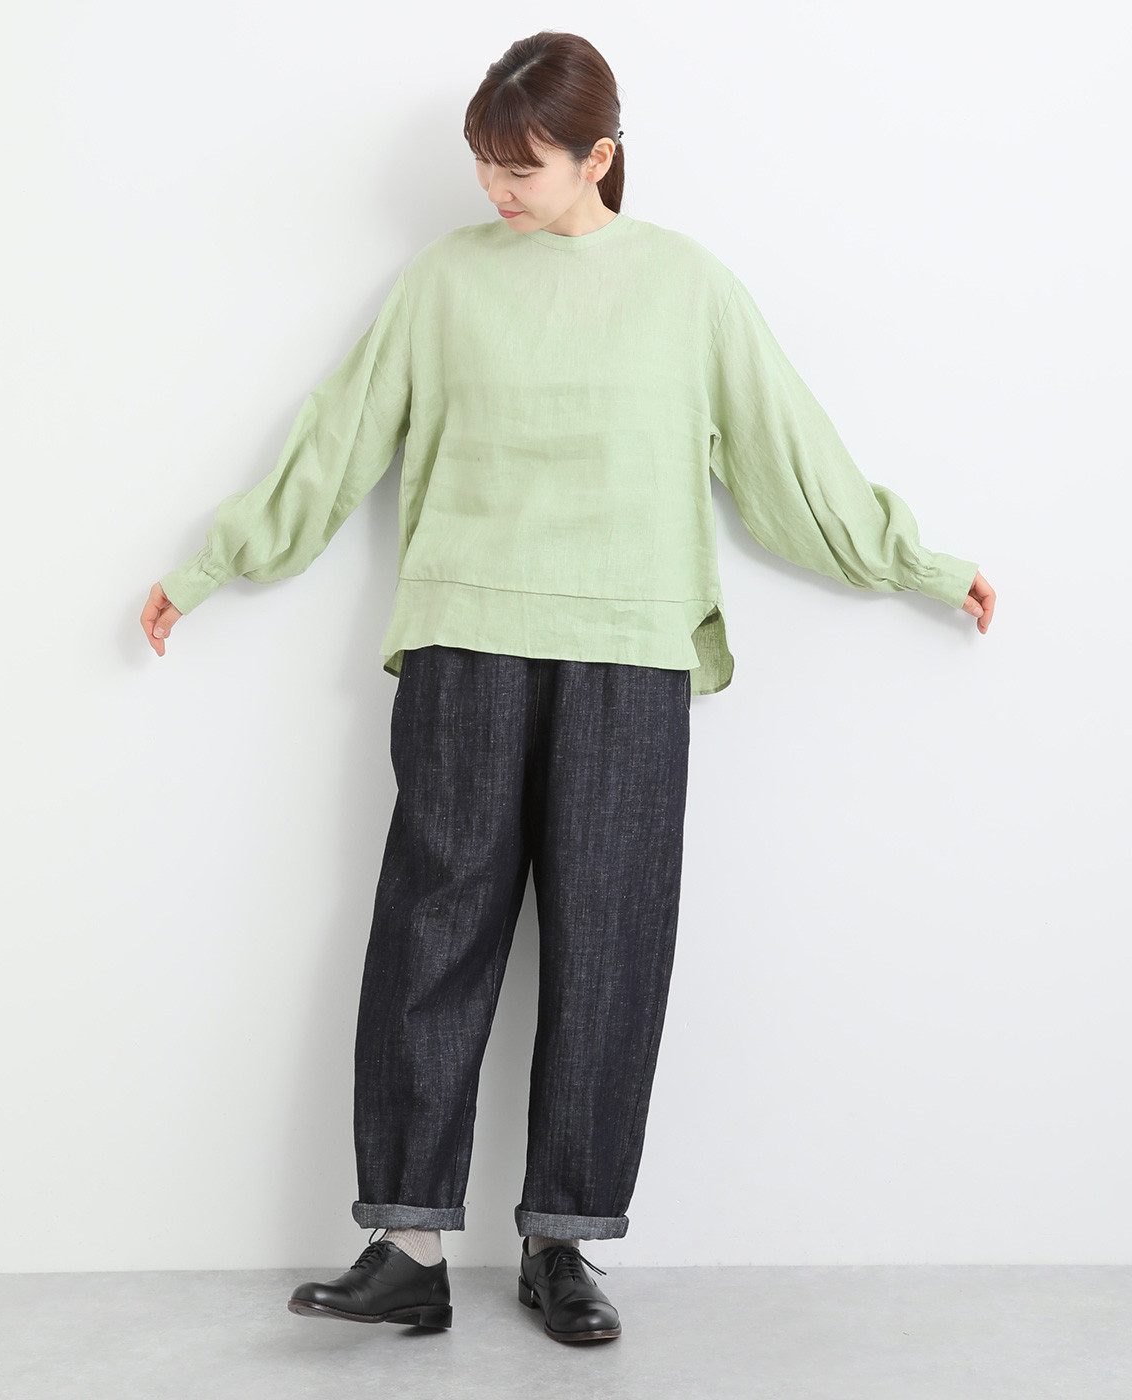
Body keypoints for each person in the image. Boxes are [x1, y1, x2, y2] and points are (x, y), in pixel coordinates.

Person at [141, 31, 994, 1346]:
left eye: (522, 166)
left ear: (599, 156)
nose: (498, 189)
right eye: (485, 163)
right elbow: (339, 439)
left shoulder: (689, 288)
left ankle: (565, 1246)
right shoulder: (443, 283)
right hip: (466, 641)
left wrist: (917, 564)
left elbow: (792, 461)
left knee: (609, 947)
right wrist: (212, 567)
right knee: (432, 932)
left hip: (630, 654)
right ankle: (407, 1246)